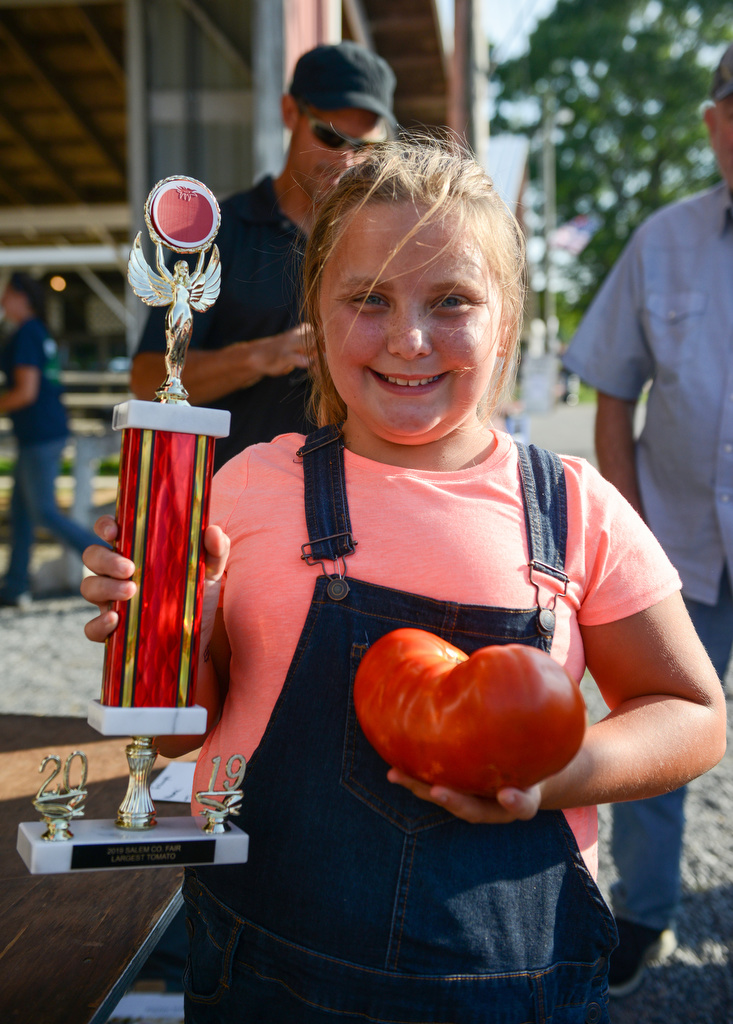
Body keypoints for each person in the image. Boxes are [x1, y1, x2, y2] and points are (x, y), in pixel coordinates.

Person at [81, 138, 726, 1023]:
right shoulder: (246, 489)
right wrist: (159, 628)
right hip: (263, 969)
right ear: (315, 311)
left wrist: (558, 772)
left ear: (507, 320)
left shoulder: (577, 507)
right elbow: (172, 742)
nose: (408, 338)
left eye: (452, 300)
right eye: (368, 299)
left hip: (513, 979)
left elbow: (692, 714)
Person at [562, 40, 733, 998]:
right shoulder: (660, 239)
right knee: (654, 726)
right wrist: (625, 535)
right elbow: (612, 391)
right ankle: (645, 913)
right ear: (712, 122)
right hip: (675, 544)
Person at [131, 41, 396, 471]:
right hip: (232, 511)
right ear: (290, 113)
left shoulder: (386, 242)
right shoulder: (215, 231)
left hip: (351, 514)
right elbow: (146, 379)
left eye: (364, 147)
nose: (346, 159)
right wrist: (264, 355)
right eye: (330, 136)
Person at [0, 273, 101, 608]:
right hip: (42, 432)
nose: (3, 300)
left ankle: (111, 561)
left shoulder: (27, 333)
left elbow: (25, 392)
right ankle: (14, 586)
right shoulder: (38, 331)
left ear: (20, 296)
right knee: (23, 512)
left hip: (40, 435)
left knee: (43, 511)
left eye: (6, 293)